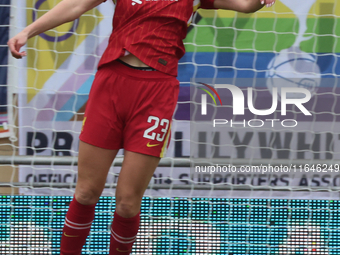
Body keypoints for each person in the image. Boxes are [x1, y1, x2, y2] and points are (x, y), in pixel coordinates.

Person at [8, 0, 275, 254]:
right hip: (111, 84)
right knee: (87, 192)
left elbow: (246, 4)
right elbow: (76, 5)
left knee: (127, 203)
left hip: (156, 93)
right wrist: (27, 31)